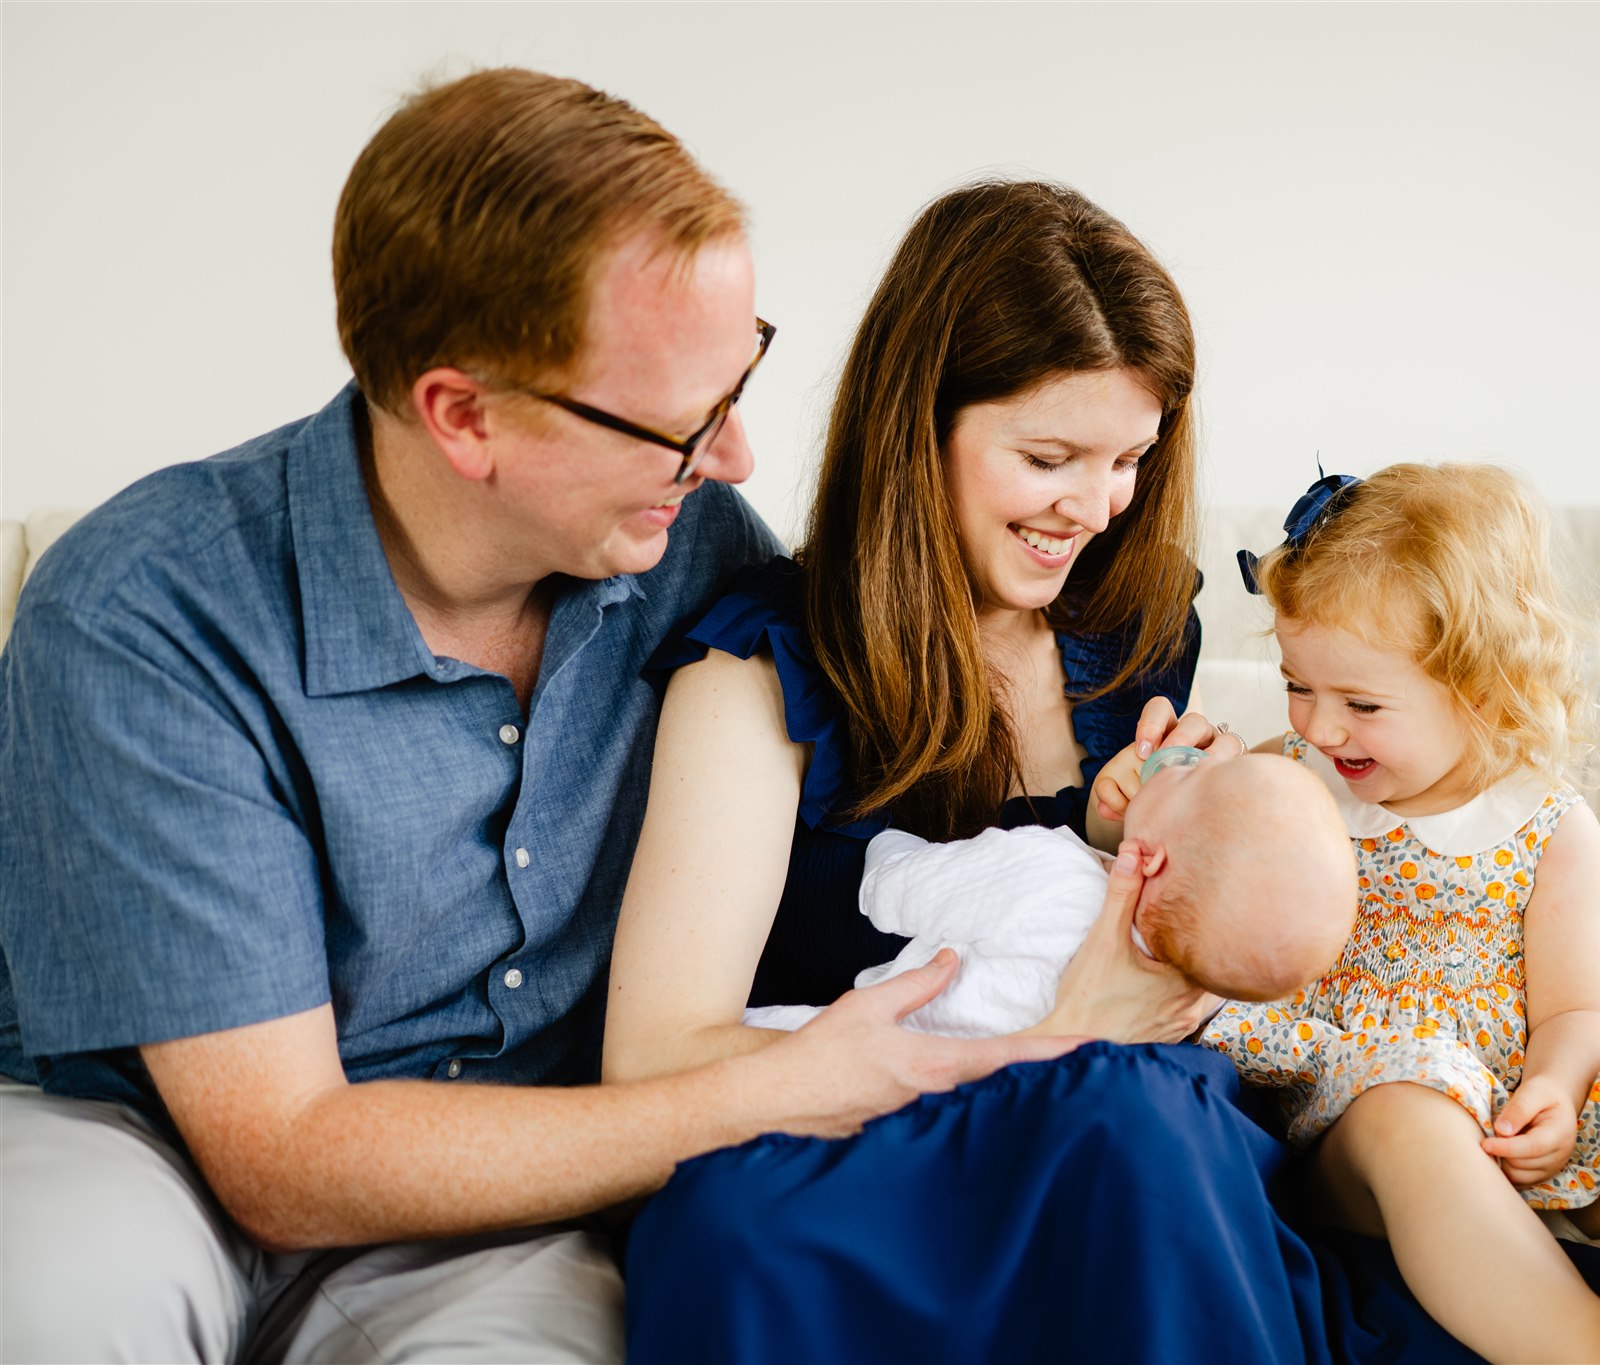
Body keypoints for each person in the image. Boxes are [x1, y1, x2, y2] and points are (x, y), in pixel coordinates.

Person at [0, 69, 1073, 1363]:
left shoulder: (701, 557)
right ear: (465, 416)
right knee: (52, 1307)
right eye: (685, 423)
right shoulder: (148, 607)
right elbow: (278, 1154)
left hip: (515, 1189)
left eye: (741, 383)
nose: (733, 458)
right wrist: (756, 1096)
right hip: (146, 1146)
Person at [611, 185, 1600, 1364]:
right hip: (875, 1155)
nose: (1093, 506)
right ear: (918, 425)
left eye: (1128, 458)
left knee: (1137, 1122)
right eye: (1048, 456)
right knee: (733, 1234)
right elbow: (657, 1062)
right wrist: (1044, 1043)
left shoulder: (1133, 629)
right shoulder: (758, 672)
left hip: (1139, 1144)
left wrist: (1207, 840)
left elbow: (1246, 945)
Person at [1206, 464, 1600, 1365]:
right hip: (1358, 1112)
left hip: (1520, 1123)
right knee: (1413, 1108)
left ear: (1479, 692)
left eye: (1361, 703)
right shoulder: (1290, 781)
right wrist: (1133, 800)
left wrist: (1554, 1089)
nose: (1320, 726)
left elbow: (1581, 1011)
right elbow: (1188, 841)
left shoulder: (1549, 825)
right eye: (1297, 685)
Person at [742, 751, 1359, 1038]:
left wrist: (887, 844)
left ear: (1155, 857)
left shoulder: (1051, 875)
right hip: (989, 1119)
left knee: (750, 1046)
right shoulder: (1183, 1002)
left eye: (1197, 773)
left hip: (881, 1050)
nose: (1184, 758)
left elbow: (893, 891)